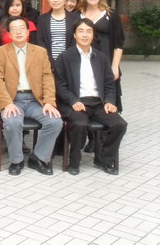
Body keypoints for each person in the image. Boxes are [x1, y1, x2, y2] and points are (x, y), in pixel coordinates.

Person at [54, 18, 128, 175]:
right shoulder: (64, 57)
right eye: (81, 31)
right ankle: (74, 162)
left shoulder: (101, 57)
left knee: (119, 124)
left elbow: (109, 84)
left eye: (89, 31)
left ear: (93, 35)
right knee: (80, 124)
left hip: (98, 102)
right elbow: (60, 85)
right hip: (75, 102)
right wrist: (73, 101)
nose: (85, 35)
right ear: (74, 35)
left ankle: (103, 159)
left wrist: (109, 101)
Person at [0, 16, 62, 176]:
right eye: (14, 29)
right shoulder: (0, 52)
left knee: (55, 122)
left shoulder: (40, 52)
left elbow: (47, 77)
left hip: (35, 100)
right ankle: (16, 160)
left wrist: (49, 102)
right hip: (12, 100)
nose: (18, 31)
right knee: (12, 122)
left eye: (21, 28)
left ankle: (38, 158)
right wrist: (7, 103)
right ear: (9, 33)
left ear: (28, 31)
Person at [78, 0, 125, 110]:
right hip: (83, 61)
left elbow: (119, 43)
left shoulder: (111, 15)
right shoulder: (77, 14)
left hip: (106, 60)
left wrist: (115, 66)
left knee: (107, 95)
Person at [36, 0, 80, 66]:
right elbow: (40, 41)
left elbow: (75, 40)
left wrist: (65, 59)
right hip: (48, 63)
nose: (55, 0)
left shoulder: (75, 18)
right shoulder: (42, 19)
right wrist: (51, 61)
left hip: (69, 62)